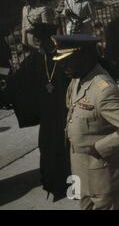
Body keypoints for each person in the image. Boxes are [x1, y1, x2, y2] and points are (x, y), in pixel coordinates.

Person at [52, 34, 119, 210]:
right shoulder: (76, 79)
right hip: (82, 173)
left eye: (68, 60)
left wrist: (100, 148)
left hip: (106, 177)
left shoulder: (103, 90)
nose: (62, 66)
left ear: (85, 56)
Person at [0, 23, 71, 201]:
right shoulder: (33, 60)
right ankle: (52, 183)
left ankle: (71, 186)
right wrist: (4, 95)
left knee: (67, 147)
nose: (39, 43)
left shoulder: (66, 57)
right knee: (47, 147)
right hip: (47, 113)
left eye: (42, 39)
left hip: (66, 110)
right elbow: (16, 83)